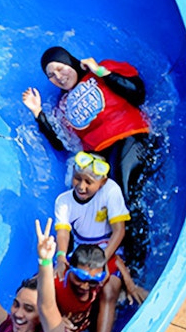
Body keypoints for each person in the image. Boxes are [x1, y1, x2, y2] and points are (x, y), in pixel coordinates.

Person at [22, 46, 154, 269]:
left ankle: (135, 265)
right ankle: (92, 264)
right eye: (51, 76)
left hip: (129, 136)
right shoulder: (61, 107)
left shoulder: (100, 71)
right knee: (89, 201)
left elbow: (138, 93)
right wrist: (38, 114)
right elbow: (61, 144)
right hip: (100, 154)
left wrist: (101, 72)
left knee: (121, 193)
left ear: (71, 62)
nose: (58, 77)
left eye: (60, 69)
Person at [53, 151, 150, 332]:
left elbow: (119, 231)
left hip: (108, 248)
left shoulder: (111, 191)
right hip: (81, 250)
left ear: (102, 181)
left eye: (89, 182)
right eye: (77, 178)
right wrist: (61, 257)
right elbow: (63, 232)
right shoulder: (63, 201)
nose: (81, 186)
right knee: (67, 285)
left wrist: (101, 261)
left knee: (108, 291)